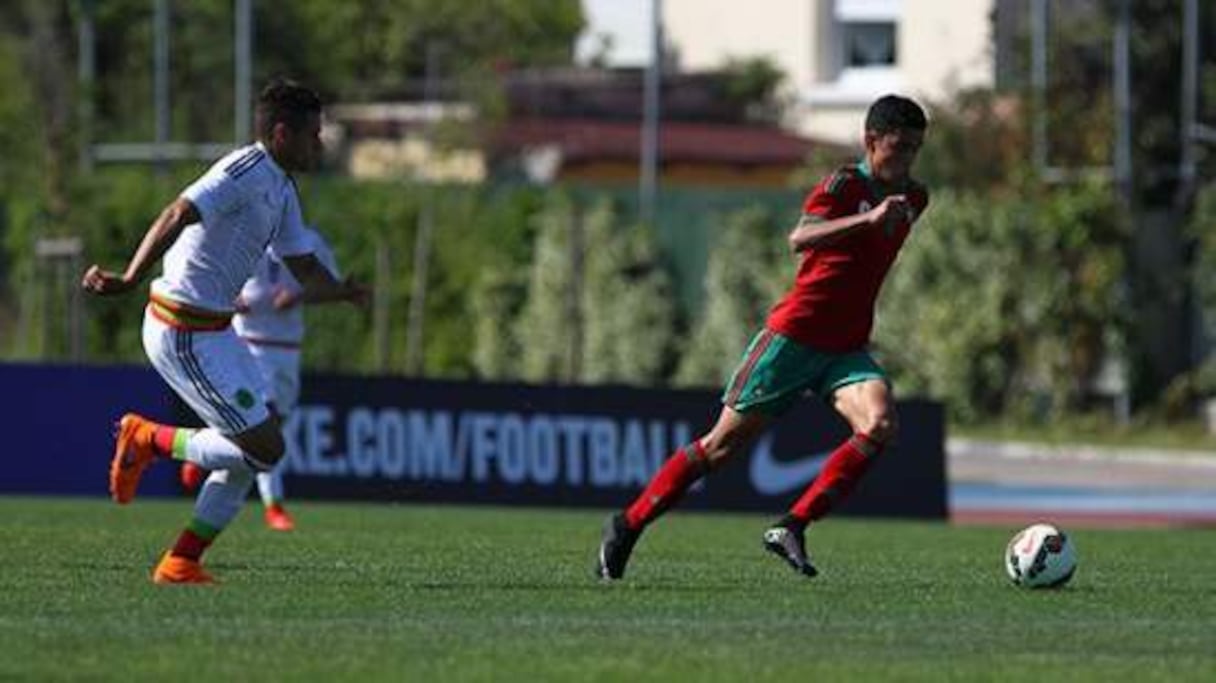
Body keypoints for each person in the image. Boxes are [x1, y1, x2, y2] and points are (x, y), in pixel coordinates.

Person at [595, 94, 930, 580]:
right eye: (899, 147)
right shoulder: (843, 184)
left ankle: (792, 525)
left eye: (916, 149)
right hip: (793, 337)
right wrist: (867, 219)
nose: (906, 160)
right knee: (718, 450)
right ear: (870, 141)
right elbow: (800, 238)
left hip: (845, 347)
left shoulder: (916, 197)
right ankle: (627, 525)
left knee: (879, 423)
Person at [81, 79, 366, 584]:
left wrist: (343, 290)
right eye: (313, 135)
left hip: (216, 332)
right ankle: (149, 438)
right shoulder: (242, 170)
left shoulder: (281, 189)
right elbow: (177, 211)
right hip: (181, 329)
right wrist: (129, 278)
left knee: (255, 448)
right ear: (281, 134)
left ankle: (181, 561)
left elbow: (302, 266)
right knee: (266, 448)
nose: (319, 145)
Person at [180, 226, 362, 531]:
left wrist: (300, 295)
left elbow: (330, 286)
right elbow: (208, 277)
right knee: (269, 426)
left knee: (266, 430)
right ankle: (274, 506)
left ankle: (203, 449)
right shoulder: (243, 237)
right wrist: (228, 298)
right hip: (246, 344)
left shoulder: (309, 241)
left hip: (287, 349)